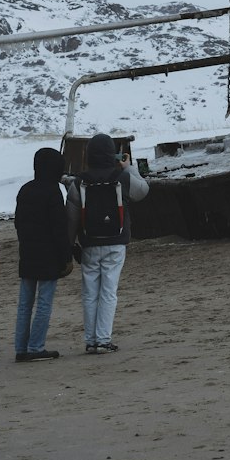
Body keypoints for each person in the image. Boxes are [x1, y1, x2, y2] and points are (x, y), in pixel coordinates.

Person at [65, 133, 149, 354]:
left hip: (89, 243)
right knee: (108, 291)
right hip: (116, 242)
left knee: (90, 292)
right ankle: (103, 339)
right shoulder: (121, 177)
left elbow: (71, 218)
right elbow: (143, 191)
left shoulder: (79, 182)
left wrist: (71, 245)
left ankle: (91, 340)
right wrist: (129, 167)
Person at [13, 146, 73, 363]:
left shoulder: (25, 189)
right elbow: (59, 228)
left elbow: (18, 222)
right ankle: (36, 347)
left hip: (27, 252)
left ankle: (21, 347)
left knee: (25, 303)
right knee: (44, 302)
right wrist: (66, 255)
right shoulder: (52, 191)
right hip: (48, 256)